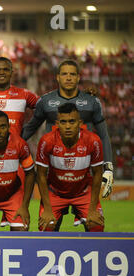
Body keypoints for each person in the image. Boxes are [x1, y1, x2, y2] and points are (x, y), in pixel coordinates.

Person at [22, 59, 113, 199]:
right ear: (57, 77)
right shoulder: (45, 101)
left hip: (84, 171)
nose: (69, 77)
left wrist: (108, 167)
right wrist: (8, 146)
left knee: (93, 219)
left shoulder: (92, 102)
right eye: (64, 74)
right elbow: (30, 128)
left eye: (72, 74)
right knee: (50, 220)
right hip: (54, 171)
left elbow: (104, 135)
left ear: (78, 77)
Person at [35, 103, 104, 232]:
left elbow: (98, 173)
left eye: (72, 121)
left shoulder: (93, 141)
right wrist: (48, 210)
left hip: (83, 192)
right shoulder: (46, 141)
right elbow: (41, 175)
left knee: (96, 225)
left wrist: (93, 208)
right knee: (46, 226)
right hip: (55, 193)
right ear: (57, 123)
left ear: (80, 123)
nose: (67, 126)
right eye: (63, 122)